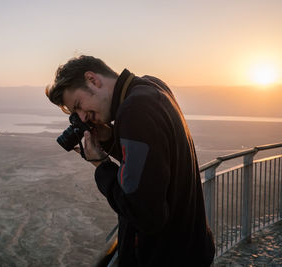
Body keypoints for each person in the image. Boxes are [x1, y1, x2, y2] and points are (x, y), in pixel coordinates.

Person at [45, 55, 215, 266]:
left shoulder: (135, 110)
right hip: (190, 249)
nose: (82, 118)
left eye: (79, 105)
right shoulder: (151, 86)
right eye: (75, 113)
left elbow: (144, 215)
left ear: (92, 79)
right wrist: (108, 139)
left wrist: (102, 165)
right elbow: (152, 163)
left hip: (165, 257)